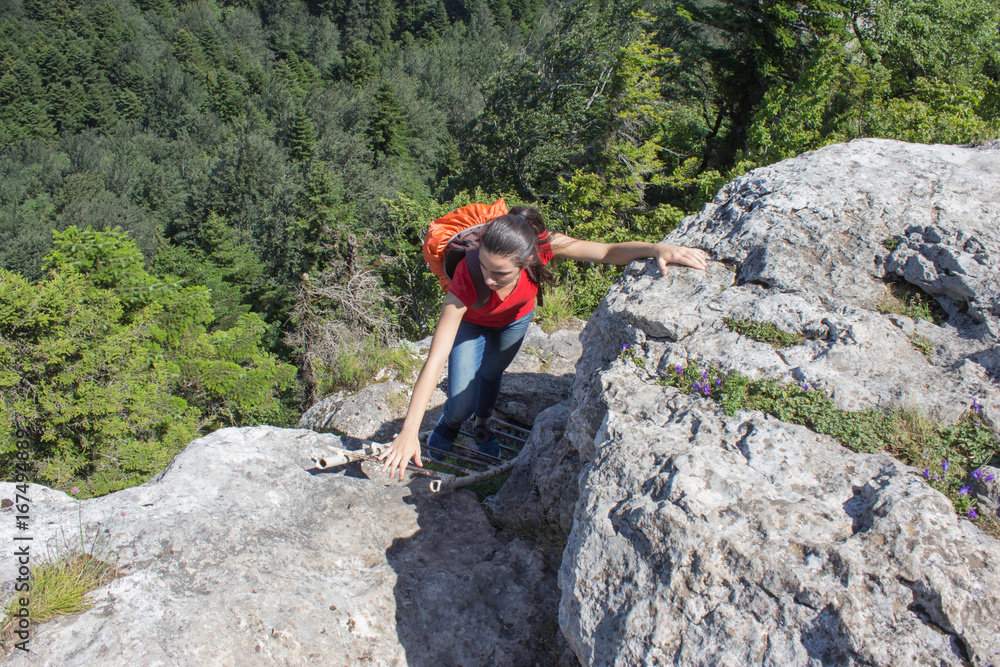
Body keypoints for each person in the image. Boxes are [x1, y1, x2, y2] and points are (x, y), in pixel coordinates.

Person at [378, 206, 707, 479]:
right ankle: (449, 426)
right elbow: (435, 358)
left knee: (492, 373)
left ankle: (482, 424)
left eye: (501, 273)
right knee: (460, 400)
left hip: (515, 320)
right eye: (485, 266)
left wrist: (656, 249)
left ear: (527, 261)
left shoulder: (542, 246)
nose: (489, 279)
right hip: (472, 324)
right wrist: (409, 430)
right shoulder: (468, 272)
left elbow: (606, 252)